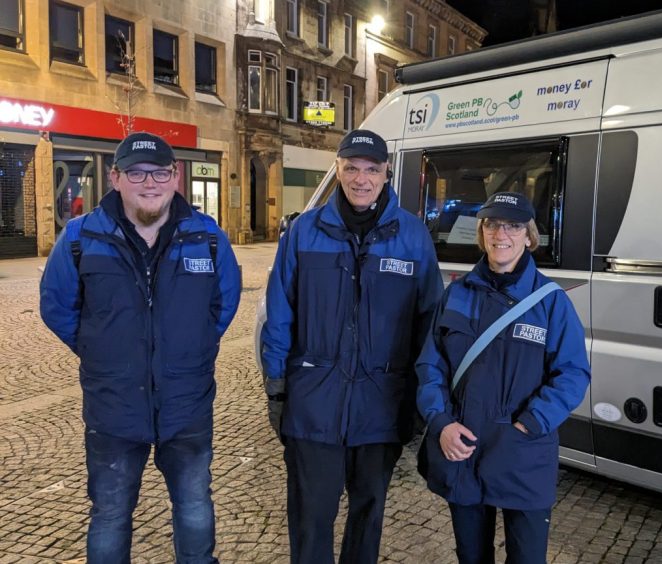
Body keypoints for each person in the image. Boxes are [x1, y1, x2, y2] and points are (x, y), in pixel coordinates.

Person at [39, 131, 241, 564]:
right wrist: (101, 349)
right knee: (110, 514)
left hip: (186, 404)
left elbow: (224, 303)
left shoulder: (206, 237)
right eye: (136, 173)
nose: (149, 183)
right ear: (115, 178)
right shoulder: (80, 239)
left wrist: (193, 347)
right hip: (113, 408)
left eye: (160, 173)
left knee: (193, 505)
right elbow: (57, 307)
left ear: (176, 177)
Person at [261, 129, 443, 564]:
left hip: (382, 404)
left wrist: (421, 395)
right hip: (313, 404)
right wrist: (277, 386)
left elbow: (430, 324)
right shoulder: (305, 232)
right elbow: (279, 312)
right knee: (310, 519)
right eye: (352, 168)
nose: (361, 178)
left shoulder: (413, 237)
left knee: (368, 514)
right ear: (339, 170)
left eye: (372, 169)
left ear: (386, 174)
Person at [416, 191, 590, 564]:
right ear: (482, 232)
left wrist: (531, 423)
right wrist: (441, 423)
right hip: (463, 449)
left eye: (513, 226)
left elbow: (573, 373)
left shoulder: (550, 301)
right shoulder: (457, 294)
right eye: (492, 224)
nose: (501, 235)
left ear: (528, 236)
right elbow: (431, 366)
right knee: (471, 556)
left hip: (522, 452)